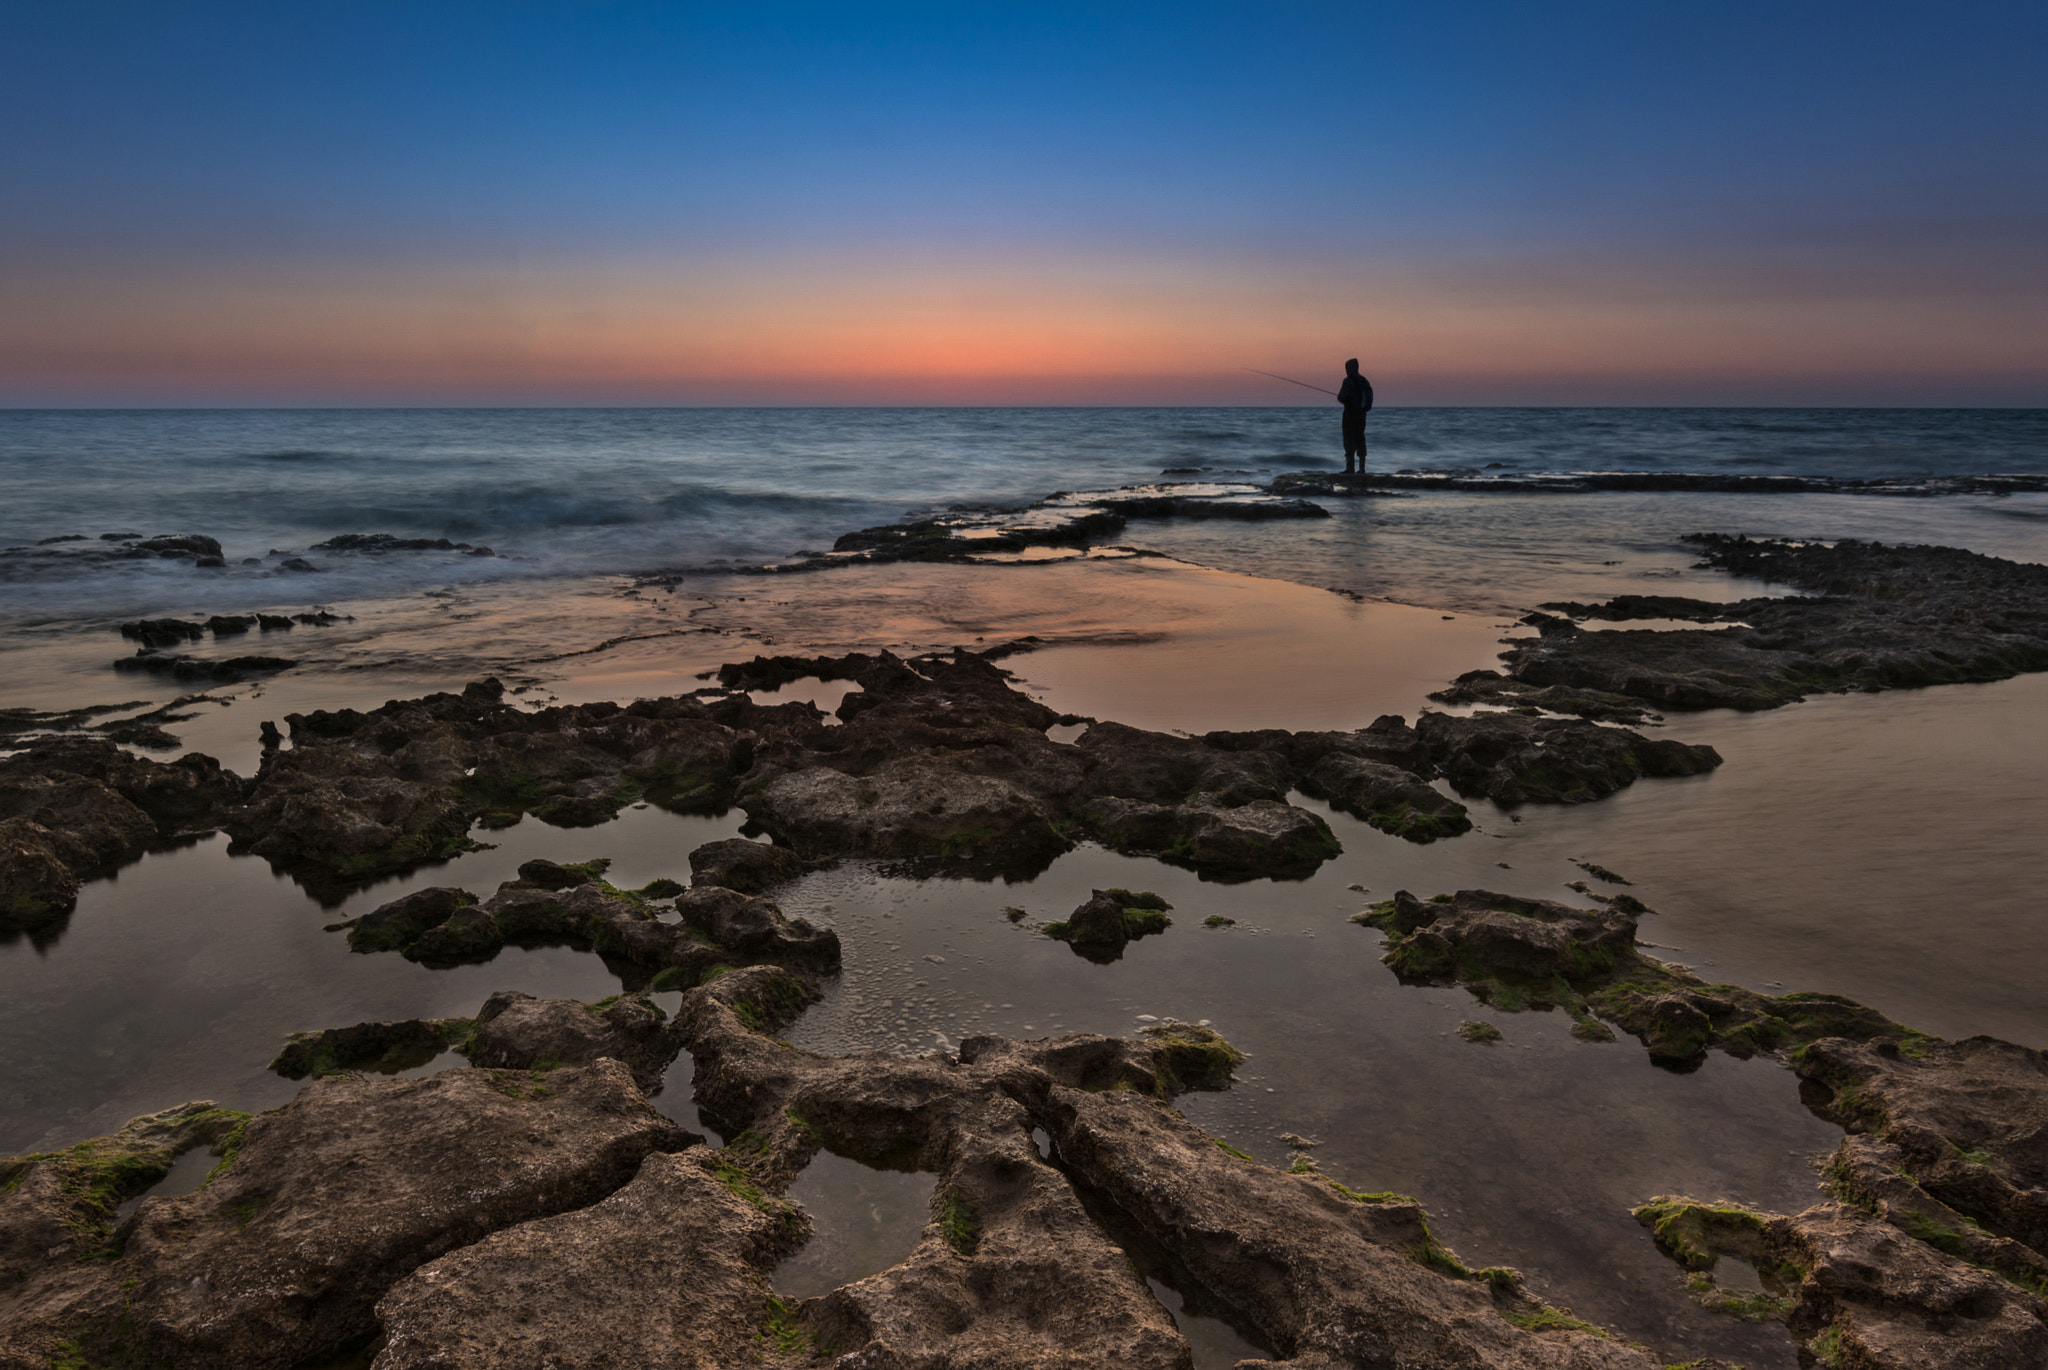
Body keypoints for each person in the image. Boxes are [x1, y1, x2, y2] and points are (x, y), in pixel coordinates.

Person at [1337, 359, 1373, 474]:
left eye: (1347, 368)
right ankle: (1362, 468)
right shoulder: (1364, 381)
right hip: (1362, 415)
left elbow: (1341, 397)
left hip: (1349, 414)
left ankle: (1350, 468)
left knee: (1348, 440)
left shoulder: (1348, 381)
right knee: (1360, 439)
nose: (1346, 371)